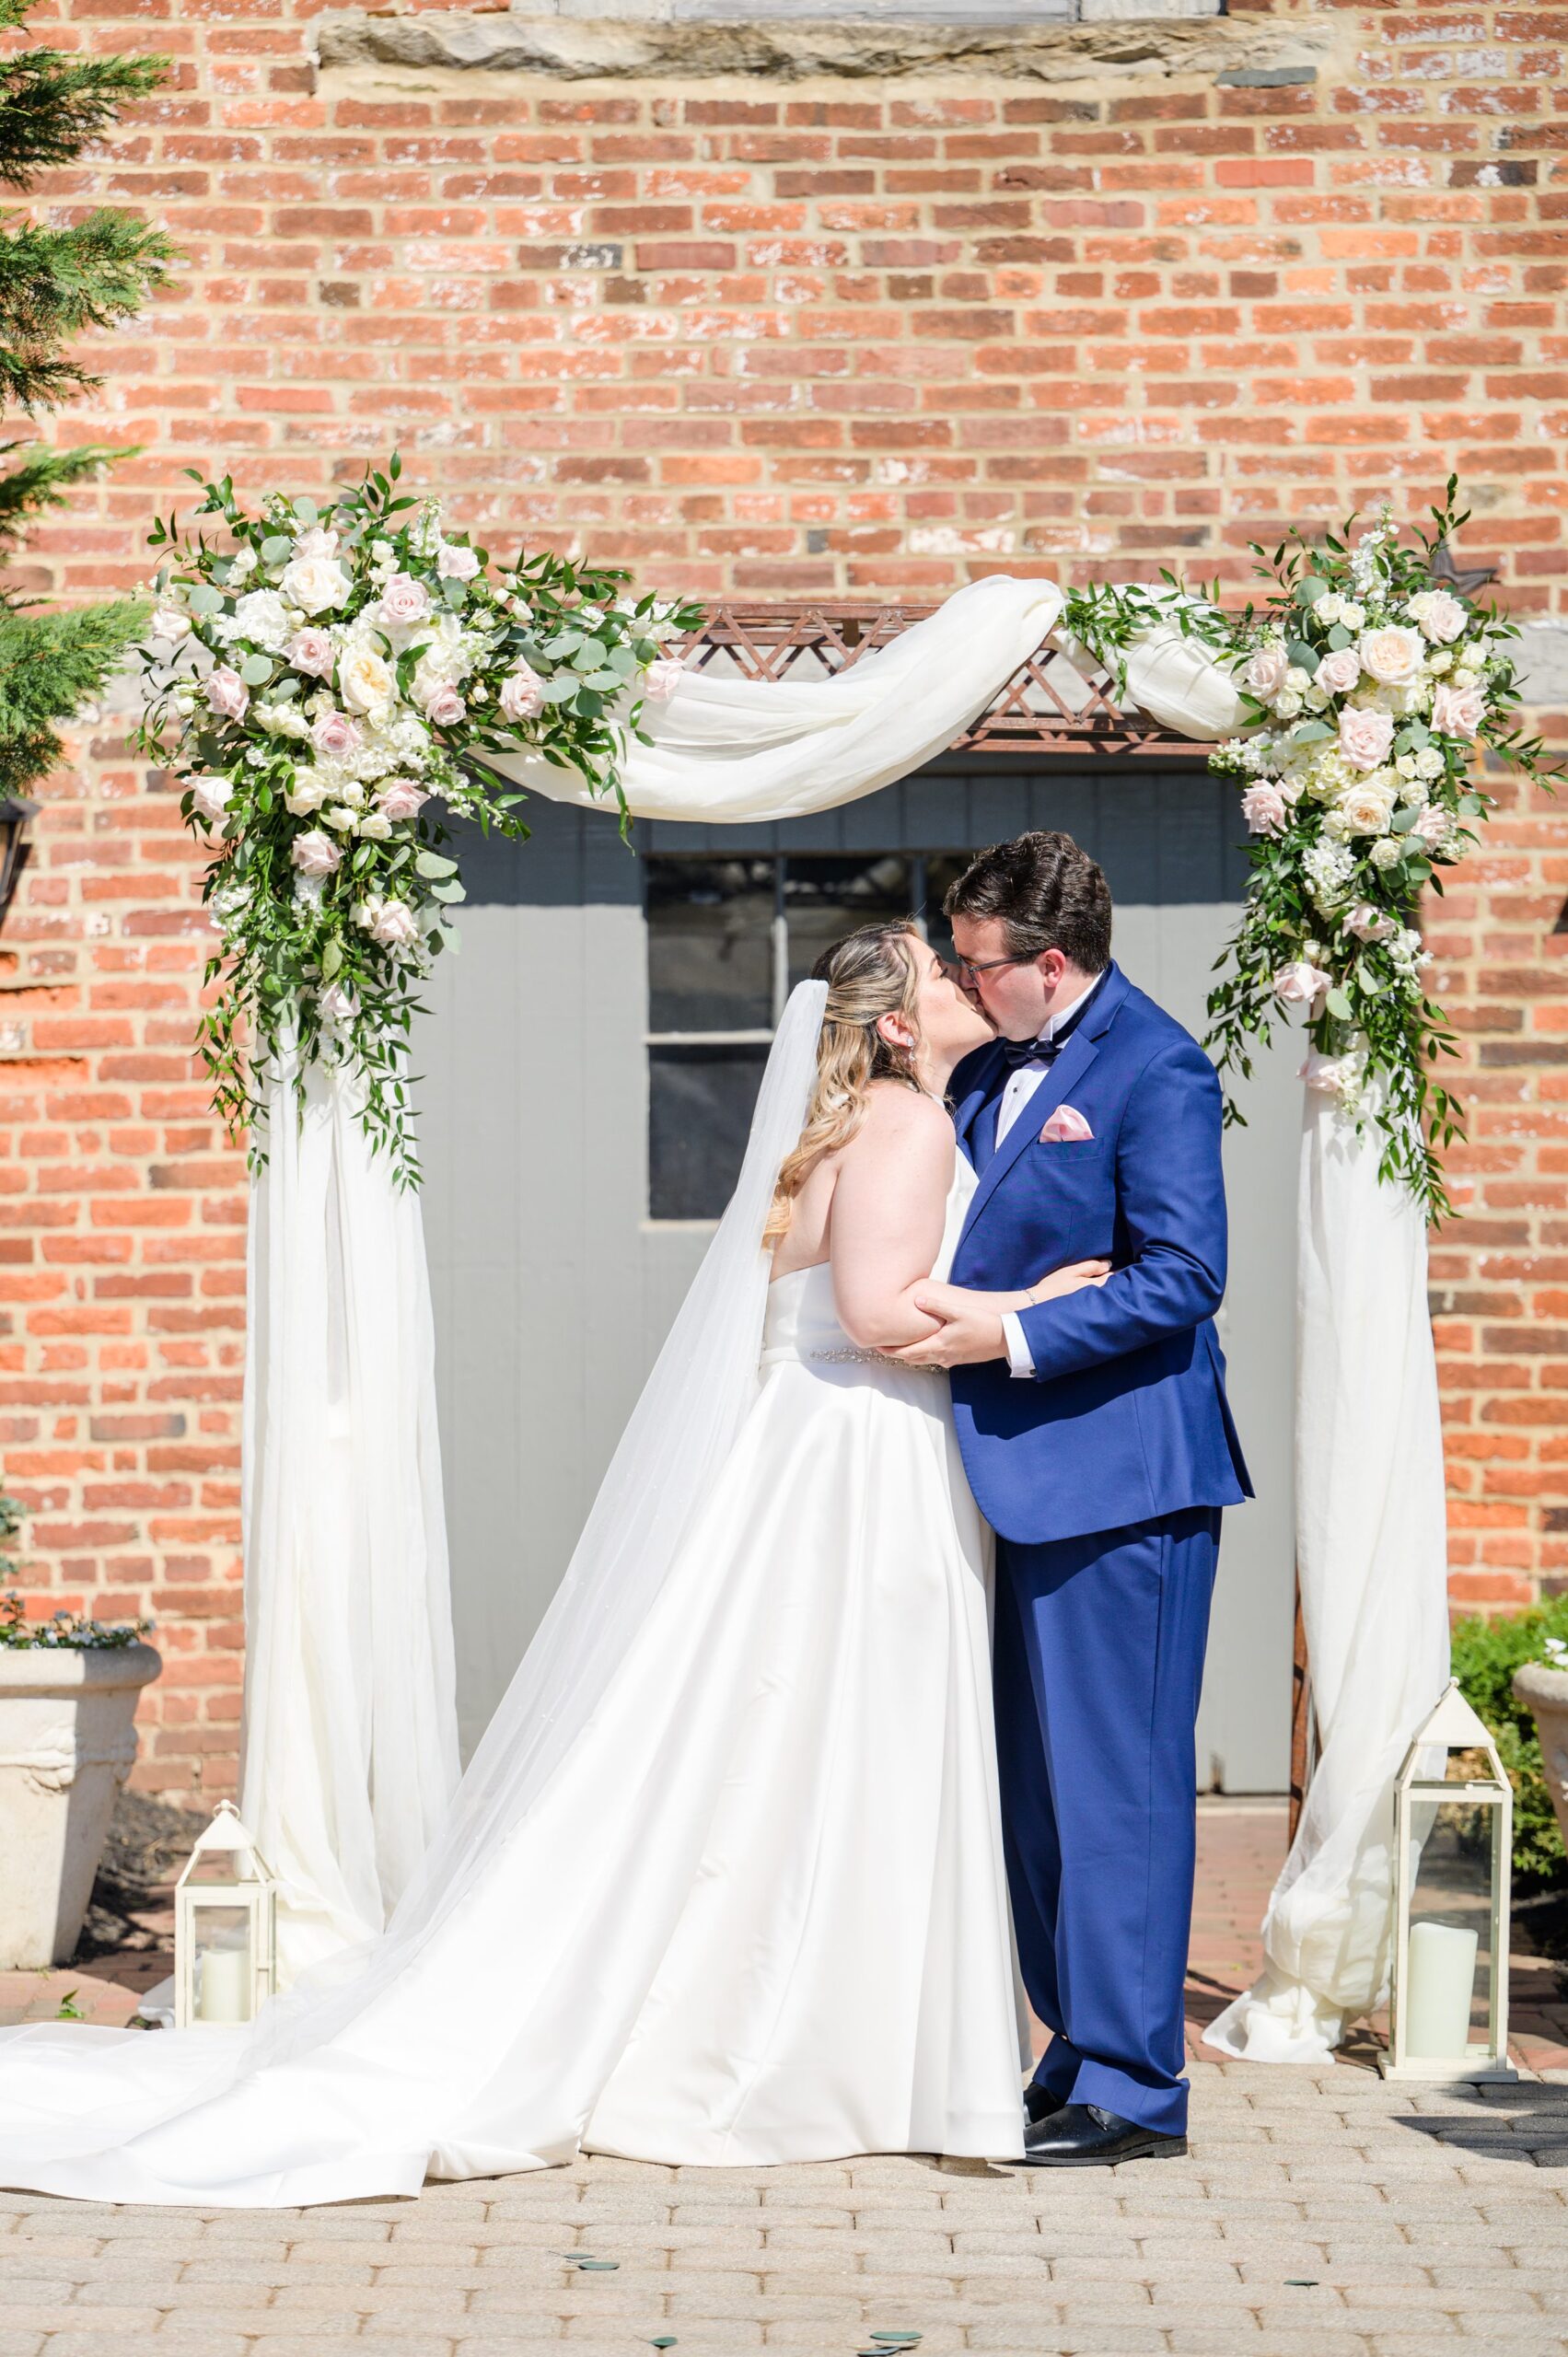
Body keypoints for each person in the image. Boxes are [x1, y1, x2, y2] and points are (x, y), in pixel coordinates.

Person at [0, 922, 1105, 2207]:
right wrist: (1042, 1309)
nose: (968, 979)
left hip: (811, 1446)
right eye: (938, 970)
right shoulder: (909, 1126)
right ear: (900, 1025)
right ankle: (824, 2053)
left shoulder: (850, 1122)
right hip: (862, 1455)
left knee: (787, 1734)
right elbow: (872, 1314)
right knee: (848, 1731)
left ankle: (805, 2035)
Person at [889, 830, 1254, 2167]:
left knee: (1119, 1797)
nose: (966, 987)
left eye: (982, 968)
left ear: (1052, 964)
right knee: (1033, 1799)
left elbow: (1182, 1275)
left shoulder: (1158, 1068)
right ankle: (1072, 2042)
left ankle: (1136, 2089)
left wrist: (1009, 1339)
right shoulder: (988, 1065)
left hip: (1122, 1479)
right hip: (1004, 1482)